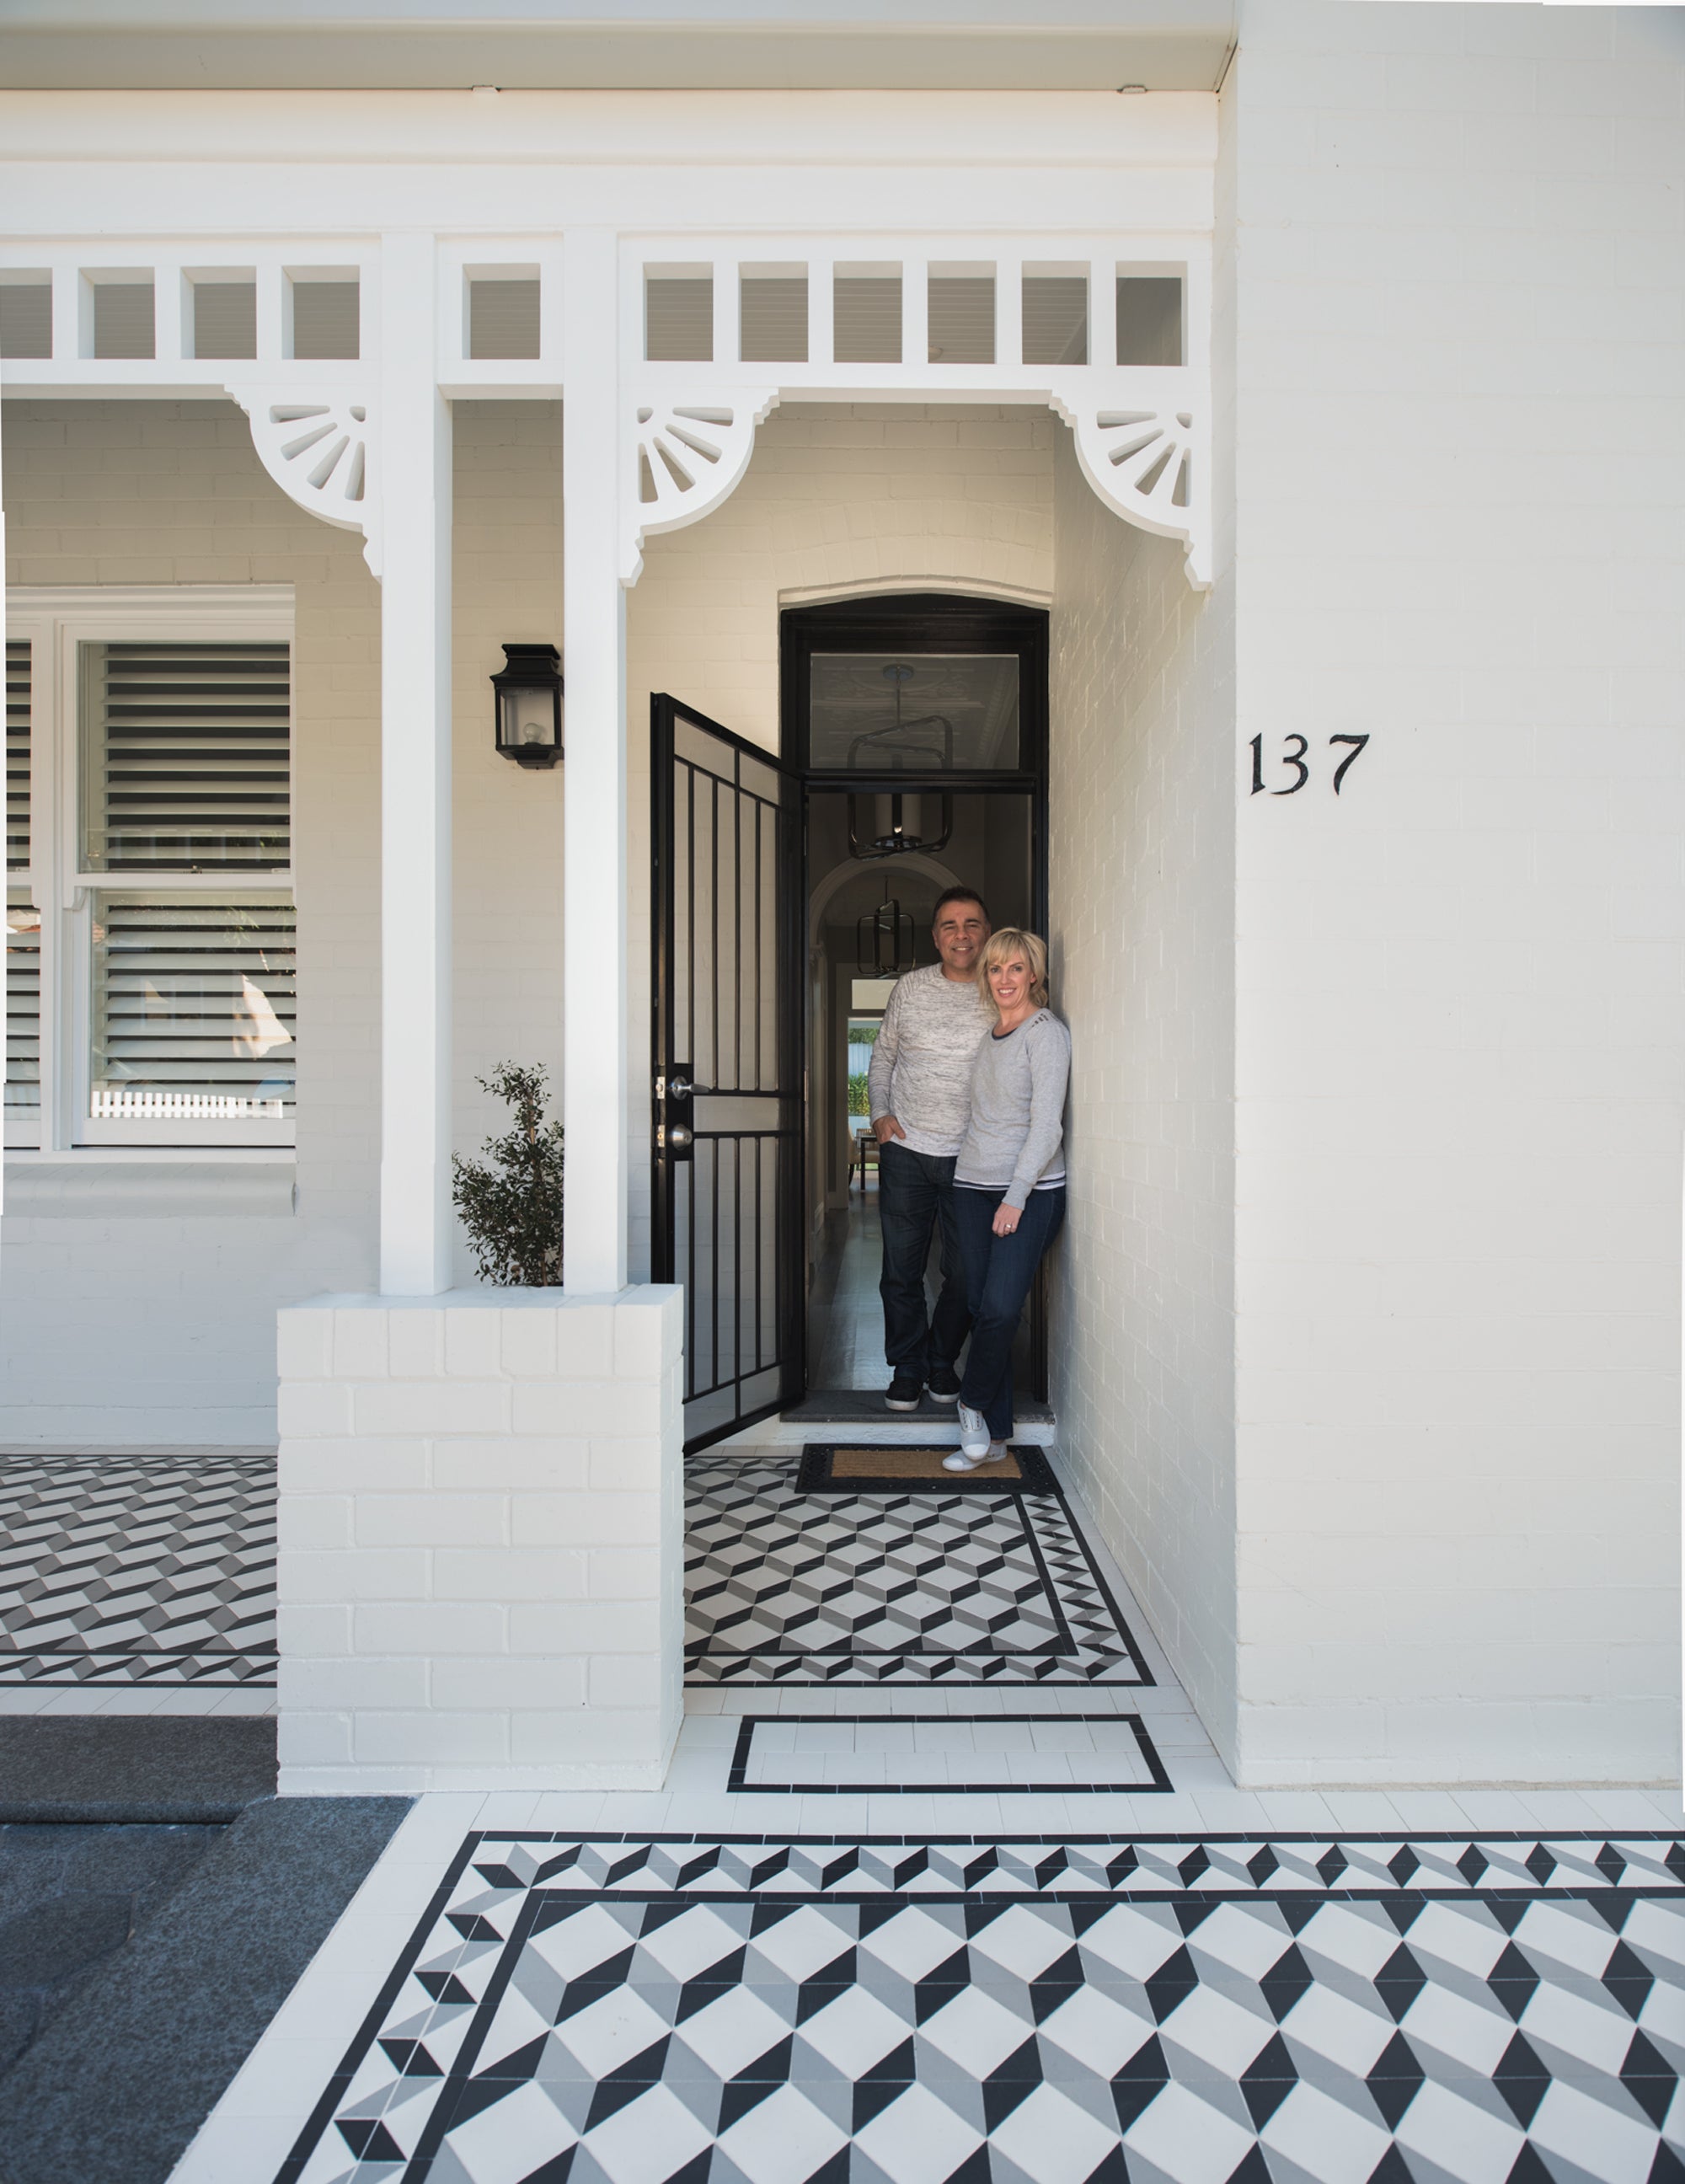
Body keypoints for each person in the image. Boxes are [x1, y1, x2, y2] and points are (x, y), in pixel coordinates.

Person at [944, 928, 1070, 1471]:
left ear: (1034, 975)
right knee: (975, 1302)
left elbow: (1047, 1128)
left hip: (1030, 1191)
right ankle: (994, 1437)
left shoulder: (1047, 1034)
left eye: (1015, 968)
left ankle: (970, 1403)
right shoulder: (990, 1035)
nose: (1003, 979)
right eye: (995, 969)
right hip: (972, 1186)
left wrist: (1015, 1196)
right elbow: (983, 1118)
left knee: (999, 1309)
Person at [866, 886, 994, 1410]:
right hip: (908, 1149)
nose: (960, 935)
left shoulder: (1001, 987)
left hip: (975, 1158)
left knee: (967, 1272)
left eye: (971, 924)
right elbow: (883, 1057)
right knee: (901, 1269)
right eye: (949, 925)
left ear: (987, 931)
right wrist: (879, 1115)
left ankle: (943, 1360)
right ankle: (909, 1367)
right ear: (936, 936)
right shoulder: (910, 989)